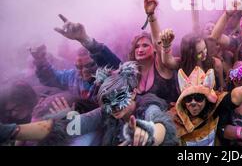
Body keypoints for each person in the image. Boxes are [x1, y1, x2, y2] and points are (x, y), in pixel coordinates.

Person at [0, 62, 179, 146]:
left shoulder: (147, 106)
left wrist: (147, 133)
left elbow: (160, 124)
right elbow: (65, 127)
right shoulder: (105, 113)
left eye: (120, 97)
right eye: (108, 100)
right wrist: (12, 131)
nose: (115, 106)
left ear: (133, 93)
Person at [53, 0, 179, 104]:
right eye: (137, 46)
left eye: (145, 45)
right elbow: (107, 58)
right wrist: (84, 39)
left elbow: (158, 43)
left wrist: (151, 15)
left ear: (154, 49)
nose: (140, 49)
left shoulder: (162, 66)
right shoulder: (129, 73)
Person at [169, 66, 242, 146]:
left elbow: (232, 98)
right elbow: (161, 127)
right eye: (188, 98)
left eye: (198, 98)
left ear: (207, 99)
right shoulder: (176, 117)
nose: (193, 103)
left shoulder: (213, 108)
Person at [32, 44, 104, 101]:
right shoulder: (72, 76)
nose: (84, 70)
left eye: (89, 65)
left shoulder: (106, 78)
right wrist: (41, 61)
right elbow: (52, 77)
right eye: (79, 67)